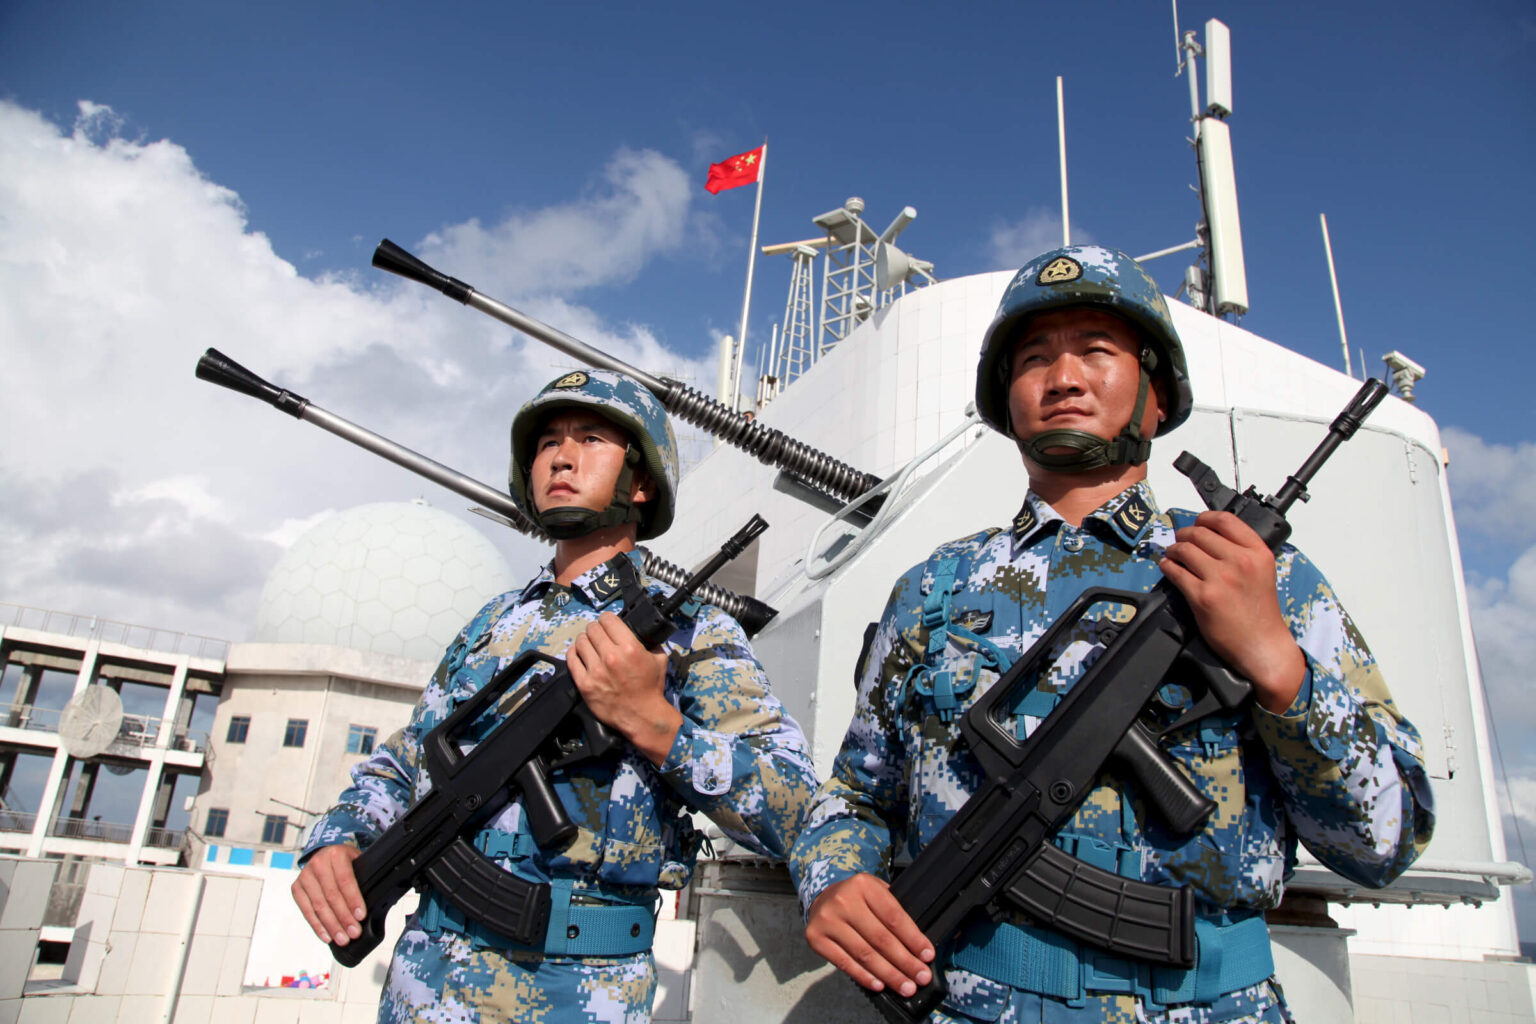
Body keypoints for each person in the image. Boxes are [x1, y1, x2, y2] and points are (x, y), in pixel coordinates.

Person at [788, 246, 1435, 1023]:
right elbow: (858, 793)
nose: (1063, 377)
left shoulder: (1257, 575)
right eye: (1034, 359)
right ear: (1007, 399)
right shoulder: (935, 590)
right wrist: (833, 874)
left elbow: (1383, 843)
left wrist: (1280, 666)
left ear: (1156, 398)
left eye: (1096, 351)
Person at [293, 368, 819, 1023]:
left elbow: (798, 812)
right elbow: (409, 759)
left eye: (591, 439)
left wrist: (657, 725)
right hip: (423, 986)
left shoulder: (693, 636)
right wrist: (339, 838)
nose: (561, 457)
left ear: (643, 479)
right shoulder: (489, 626)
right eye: (547, 444)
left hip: (575, 997)